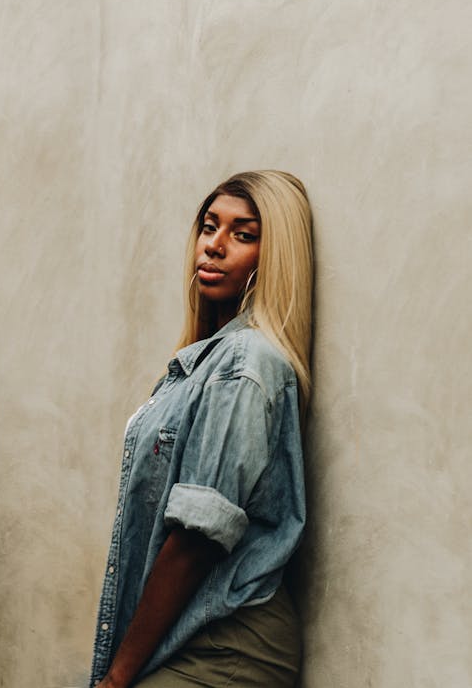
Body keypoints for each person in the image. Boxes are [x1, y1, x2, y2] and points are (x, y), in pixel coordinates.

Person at [89, 170, 313, 688]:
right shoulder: (208, 360)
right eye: (209, 227)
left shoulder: (245, 364)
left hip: (228, 645)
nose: (213, 246)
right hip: (187, 631)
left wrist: (117, 677)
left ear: (274, 254)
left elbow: (197, 538)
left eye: (243, 234)